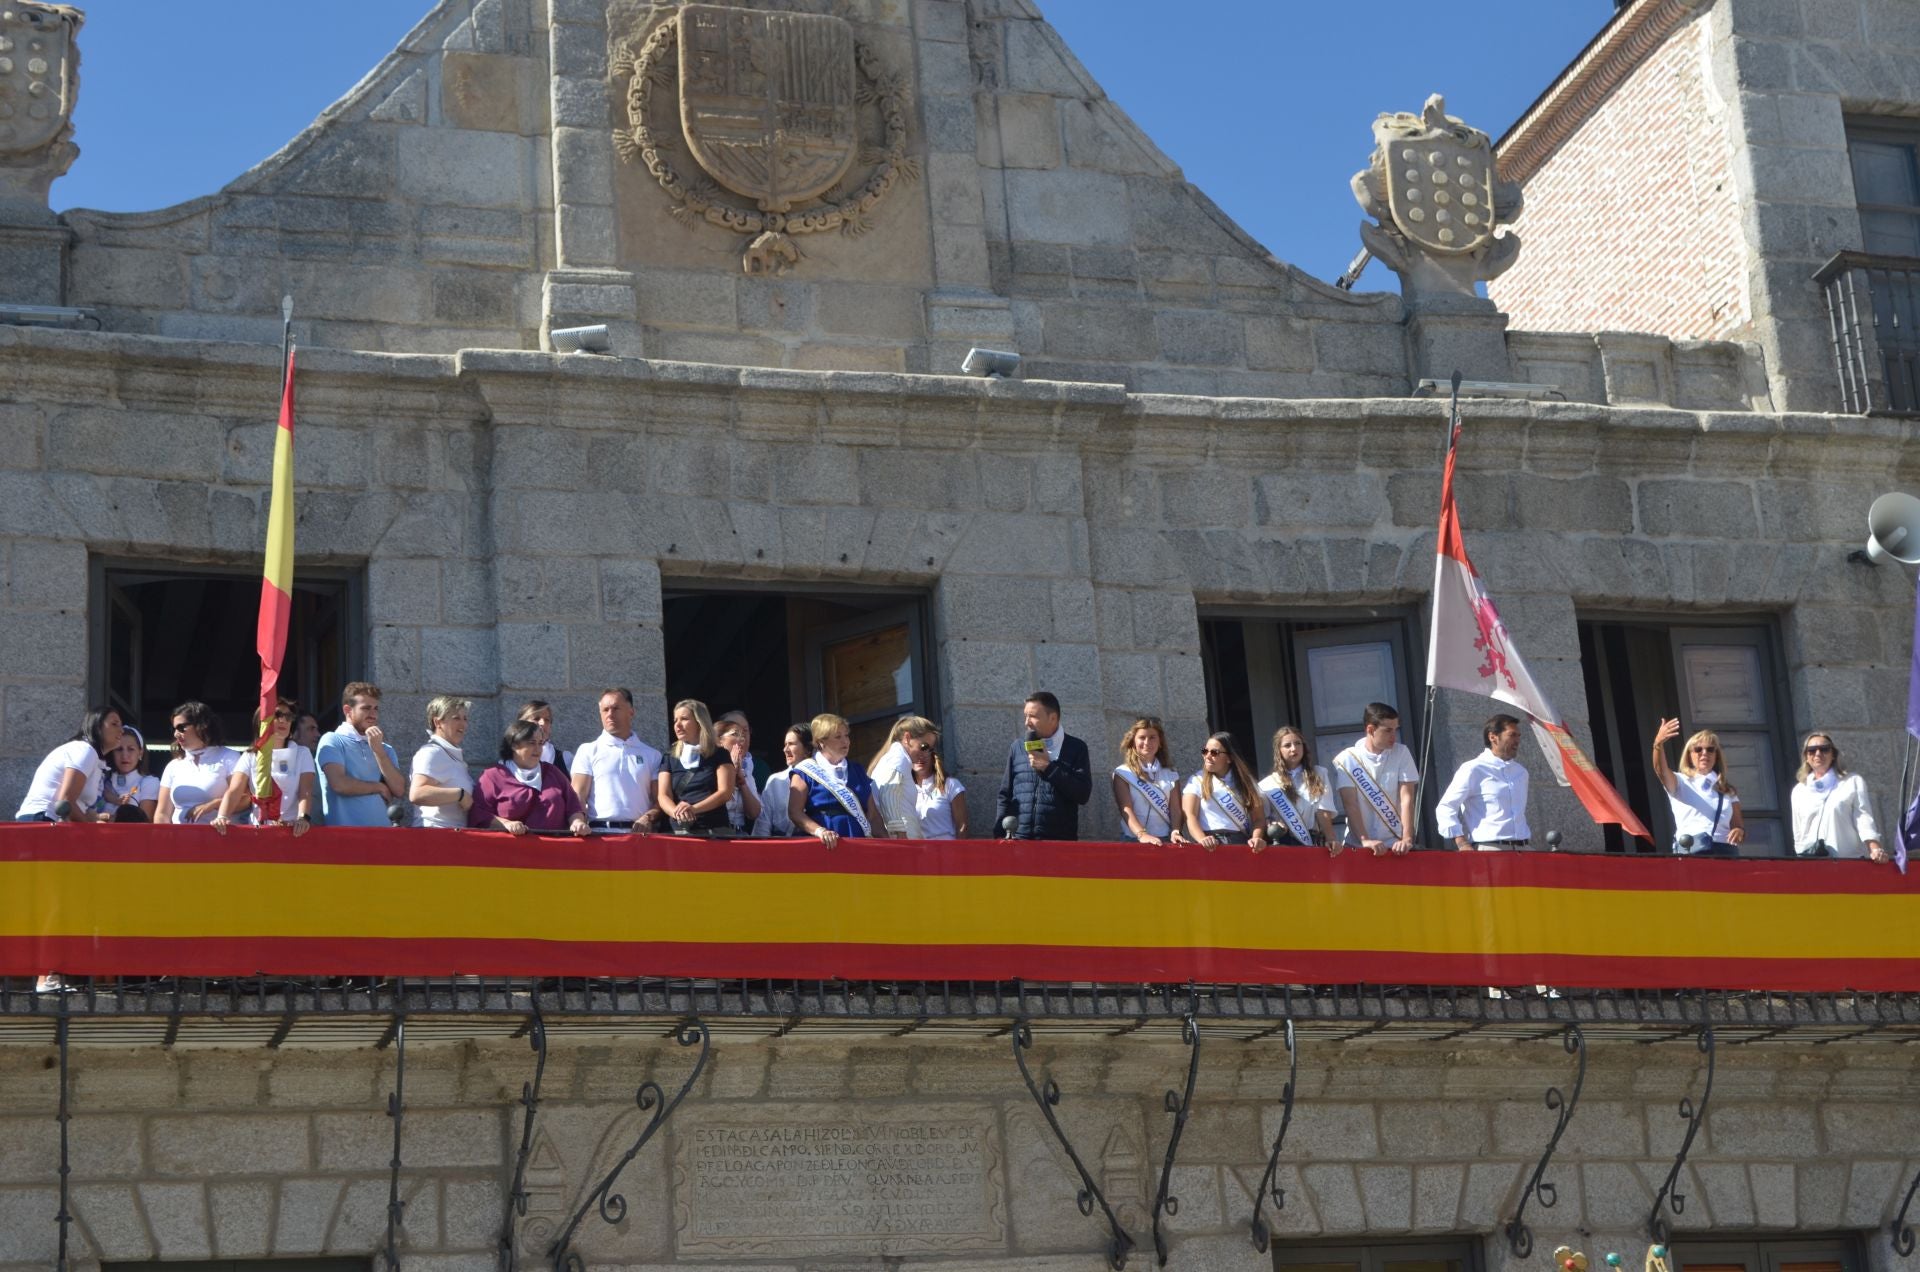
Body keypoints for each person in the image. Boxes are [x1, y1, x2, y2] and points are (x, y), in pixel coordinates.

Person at [995, 691, 1094, 840]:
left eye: (1033, 716)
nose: (1027, 722)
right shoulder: (1017, 747)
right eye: (1025, 716)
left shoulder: (1076, 748)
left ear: (1053, 718)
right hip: (1019, 840)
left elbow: (1083, 794)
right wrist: (999, 834)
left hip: (1058, 843)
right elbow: (1005, 795)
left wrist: (1049, 768)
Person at [469, 719, 589, 836]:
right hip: (511, 852)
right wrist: (506, 824)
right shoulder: (493, 776)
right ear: (514, 745)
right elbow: (480, 814)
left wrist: (577, 822)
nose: (538, 749)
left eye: (540, 743)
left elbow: (574, 806)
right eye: (531, 743)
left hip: (553, 850)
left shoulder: (553, 772)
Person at [571, 687, 664, 833]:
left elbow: (661, 800)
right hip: (598, 835)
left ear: (631, 711)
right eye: (605, 710)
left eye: (615, 708)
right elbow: (577, 796)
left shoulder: (652, 755)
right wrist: (578, 822)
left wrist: (648, 817)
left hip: (639, 836)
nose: (610, 714)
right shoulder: (588, 750)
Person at [1435, 713, 1532, 851]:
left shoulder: (1521, 772)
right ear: (1493, 737)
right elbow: (1445, 807)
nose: (1517, 740)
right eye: (1512, 735)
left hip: (1524, 849)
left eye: (1518, 736)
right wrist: (1462, 843)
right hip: (1490, 849)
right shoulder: (1473, 768)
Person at [789, 711, 886, 848]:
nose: (845, 741)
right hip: (823, 844)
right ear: (821, 742)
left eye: (846, 735)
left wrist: (888, 845)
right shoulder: (804, 771)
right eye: (838, 737)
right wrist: (819, 831)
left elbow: (873, 816)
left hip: (857, 841)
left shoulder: (857, 770)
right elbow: (794, 812)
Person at [1333, 703, 1420, 855]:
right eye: (1388, 731)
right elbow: (1350, 804)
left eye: (1395, 730)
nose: (1394, 736)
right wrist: (1365, 840)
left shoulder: (1402, 753)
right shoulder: (1348, 759)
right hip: (1358, 846)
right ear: (1370, 730)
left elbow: (1407, 799)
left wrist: (1407, 839)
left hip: (1396, 846)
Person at [315, 682, 406, 827]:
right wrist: (379, 787)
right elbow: (339, 784)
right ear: (347, 710)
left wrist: (379, 752)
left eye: (376, 708)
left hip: (383, 837)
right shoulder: (332, 740)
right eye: (366, 708)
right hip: (345, 839)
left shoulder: (384, 748)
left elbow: (399, 790)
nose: (373, 714)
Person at [1791, 731, 1889, 862]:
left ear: (1833, 754)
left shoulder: (1851, 781)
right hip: (1813, 865)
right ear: (1806, 757)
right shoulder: (1799, 790)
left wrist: (1874, 848)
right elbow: (1798, 832)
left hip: (1848, 862)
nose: (1818, 754)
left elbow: (1863, 817)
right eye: (1812, 750)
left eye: (1824, 749)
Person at [1652, 718, 1743, 856]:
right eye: (1698, 749)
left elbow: (1738, 826)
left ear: (1716, 756)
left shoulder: (1727, 790)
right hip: (1692, 852)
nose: (1704, 753)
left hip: (1725, 854)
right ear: (1689, 755)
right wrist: (1658, 744)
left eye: (1710, 749)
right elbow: (1661, 770)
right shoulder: (1681, 781)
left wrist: (1739, 832)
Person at [16, 707, 122, 822]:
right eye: (114, 724)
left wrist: (96, 819)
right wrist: (90, 831)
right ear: (97, 726)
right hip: (43, 819)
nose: (121, 730)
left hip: (47, 820)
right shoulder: (85, 750)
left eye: (121, 725)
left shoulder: (93, 757)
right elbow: (65, 801)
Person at [155, 700, 251, 828]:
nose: (176, 734)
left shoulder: (229, 757)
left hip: (219, 840)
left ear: (202, 726)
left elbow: (245, 799)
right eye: (174, 729)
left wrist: (214, 805)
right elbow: (162, 814)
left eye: (181, 728)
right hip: (180, 842)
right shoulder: (173, 766)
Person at [657, 698, 737, 834]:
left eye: (684, 719)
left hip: (713, 830)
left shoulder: (720, 754)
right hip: (678, 831)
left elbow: (725, 793)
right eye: (675, 720)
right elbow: (663, 795)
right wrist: (677, 813)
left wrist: (693, 809)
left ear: (700, 722)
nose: (678, 725)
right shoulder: (669, 757)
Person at [1181, 731, 1268, 850]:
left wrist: (1256, 838)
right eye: (1205, 751)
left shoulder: (1246, 782)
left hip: (1240, 842)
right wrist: (1202, 839)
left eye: (1214, 752)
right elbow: (1190, 816)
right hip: (1209, 843)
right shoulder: (1196, 780)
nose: (1207, 756)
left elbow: (1259, 819)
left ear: (1229, 758)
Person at [1257, 725, 1337, 849]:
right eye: (1287, 745)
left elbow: (1324, 811)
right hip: (1283, 844)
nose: (1294, 748)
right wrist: (1271, 824)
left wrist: (1331, 838)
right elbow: (1264, 818)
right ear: (1279, 750)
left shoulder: (1319, 773)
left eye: (1298, 743)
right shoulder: (1267, 784)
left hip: (1312, 841)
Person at [1110, 717, 1184, 845]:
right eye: (1142, 737)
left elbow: (1176, 809)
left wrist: (1176, 831)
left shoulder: (1171, 773)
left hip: (1165, 839)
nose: (1147, 742)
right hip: (1134, 839)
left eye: (1152, 737)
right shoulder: (1122, 773)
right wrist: (1142, 835)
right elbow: (1126, 809)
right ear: (1133, 741)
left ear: (1160, 741)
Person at [410, 695, 474, 830]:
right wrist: (460, 794)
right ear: (438, 722)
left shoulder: (451, 755)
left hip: (453, 834)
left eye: (465, 718)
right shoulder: (431, 752)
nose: (463, 724)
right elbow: (417, 793)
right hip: (434, 833)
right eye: (456, 718)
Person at [255, 698, 317, 834]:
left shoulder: (303, 753)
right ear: (264, 721)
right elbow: (235, 792)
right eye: (277, 715)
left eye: (288, 717)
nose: (283, 720)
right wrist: (222, 816)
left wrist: (303, 818)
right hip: (258, 831)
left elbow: (305, 792)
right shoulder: (251, 755)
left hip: (292, 831)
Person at [867, 716, 928, 838]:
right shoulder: (898, 757)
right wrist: (900, 833)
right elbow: (888, 792)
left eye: (930, 749)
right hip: (902, 838)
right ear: (907, 738)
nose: (926, 753)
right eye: (923, 746)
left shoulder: (895, 757)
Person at [749, 722, 812, 837]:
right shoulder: (775, 781)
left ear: (808, 749)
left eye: (791, 744)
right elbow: (763, 823)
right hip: (782, 847)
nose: (785, 749)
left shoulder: (822, 779)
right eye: (785, 744)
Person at [907, 722, 967, 840]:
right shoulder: (906, 790)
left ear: (933, 754)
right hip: (919, 855)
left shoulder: (951, 784)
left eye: (924, 749)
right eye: (914, 752)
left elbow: (962, 826)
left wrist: (958, 856)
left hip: (947, 853)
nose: (920, 757)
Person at [99, 726, 160, 822]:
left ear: (140, 753)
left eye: (131, 749)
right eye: (119, 749)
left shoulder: (150, 782)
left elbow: (144, 822)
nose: (124, 755)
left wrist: (104, 817)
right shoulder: (102, 780)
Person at [718, 718, 763, 833]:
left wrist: (742, 782)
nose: (741, 739)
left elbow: (754, 813)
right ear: (719, 741)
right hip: (717, 832)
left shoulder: (746, 770)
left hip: (739, 833)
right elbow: (721, 801)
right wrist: (732, 770)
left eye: (743, 735)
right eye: (735, 734)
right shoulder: (711, 768)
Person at [518, 699, 572, 772]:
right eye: (536, 719)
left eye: (547, 720)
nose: (542, 723)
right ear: (522, 725)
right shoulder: (509, 763)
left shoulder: (566, 759)